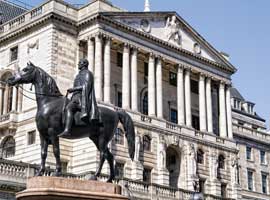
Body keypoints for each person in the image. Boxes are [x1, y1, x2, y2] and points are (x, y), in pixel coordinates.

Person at [59, 58, 100, 137]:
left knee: (69, 108)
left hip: (81, 98)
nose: (78, 64)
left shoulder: (88, 73)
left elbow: (86, 86)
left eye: (80, 63)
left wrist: (73, 89)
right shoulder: (78, 75)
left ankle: (67, 130)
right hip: (75, 96)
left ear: (84, 64)